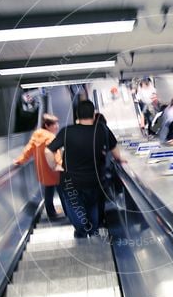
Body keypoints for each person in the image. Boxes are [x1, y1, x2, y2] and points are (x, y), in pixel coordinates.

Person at [45, 100, 125, 238]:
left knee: (74, 207)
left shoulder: (67, 131)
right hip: (94, 179)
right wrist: (120, 160)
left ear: (77, 115)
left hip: (70, 181)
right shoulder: (101, 129)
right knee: (93, 206)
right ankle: (93, 231)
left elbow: (48, 151)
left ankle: (82, 230)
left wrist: (54, 166)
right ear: (93, 115)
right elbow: (115, 151)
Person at [13, 114, 62, 220]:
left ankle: (51, 213)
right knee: (63, 193)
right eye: (54, 125)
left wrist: (19, 160)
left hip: (44, 171)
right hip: (55, 169)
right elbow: (55, 154)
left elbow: (28, 150)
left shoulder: (36, 135)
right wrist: (61, 165)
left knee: (48, 192)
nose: (57, 126)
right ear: (47, 126)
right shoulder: (50, 137)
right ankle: (69, 213)